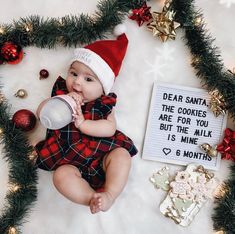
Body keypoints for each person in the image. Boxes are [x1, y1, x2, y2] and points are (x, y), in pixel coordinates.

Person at [35, 26, 138, 214]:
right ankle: (90, 198)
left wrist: (83, 124)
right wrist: (55, 102)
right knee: (60, 177)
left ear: (103, 87)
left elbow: (109, 129)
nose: (77, 82)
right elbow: (41, 112)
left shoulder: (103, 104)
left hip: (102, 155)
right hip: (69, 159)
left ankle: (109, 195)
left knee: (122, 156)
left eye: (88, 79)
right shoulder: (60, 95)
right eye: (74, 73)